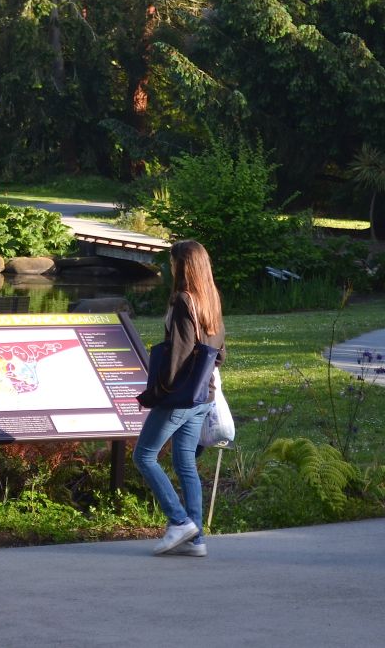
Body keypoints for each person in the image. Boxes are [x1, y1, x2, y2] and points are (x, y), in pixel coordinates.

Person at [133, 239, 226, 558]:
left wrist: (157, 393)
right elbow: (220, 353)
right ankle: (195, 539)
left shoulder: (184, 300)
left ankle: (179, 521)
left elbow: (179, 355)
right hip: (204, 395)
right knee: (185, 462)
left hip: (181, 397)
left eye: (172, 262)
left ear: (181, 266)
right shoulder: (210, 297)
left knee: (144, 456)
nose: (169, 267)